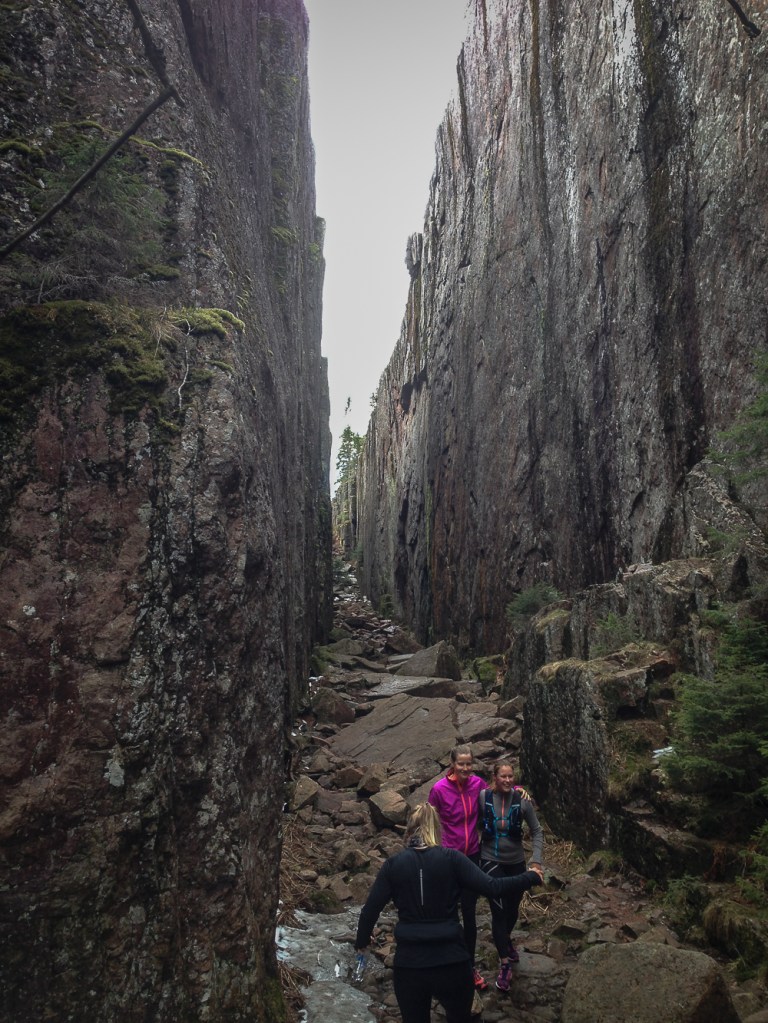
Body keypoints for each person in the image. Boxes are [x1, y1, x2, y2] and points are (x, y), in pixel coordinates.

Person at [354, 802, 543, 1023]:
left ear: (409, 828)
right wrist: (530, 877)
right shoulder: (453, 859)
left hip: (410, 965)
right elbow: (493, 887)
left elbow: (369, 912)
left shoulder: (393, 865)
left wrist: (361, 941)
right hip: (451, 961)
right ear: (437, 828)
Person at [428, 744, 530, 990]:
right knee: (449, 914)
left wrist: (517, 789)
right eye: (460, 763)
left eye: (468, 763)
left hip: (472, 857)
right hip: (447, 858)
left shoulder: (476, 785)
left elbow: (498, 791)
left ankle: (469, 967)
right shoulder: (439, 789)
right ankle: (446, 962)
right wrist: (430, 851)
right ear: (452, 763)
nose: (465, 768)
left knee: (471, 916)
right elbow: (430, 821)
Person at [479, 759, 544, 992]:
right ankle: (504, 963)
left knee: (512, 908)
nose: (507, 780)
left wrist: (536, 860)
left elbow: (537, 831)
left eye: (511, 777)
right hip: (490, 860)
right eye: (503, 776)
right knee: (498, 910)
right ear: (495, 777)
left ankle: (505, 939)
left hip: (516, 862)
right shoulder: (483, 797)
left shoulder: (522, 801)